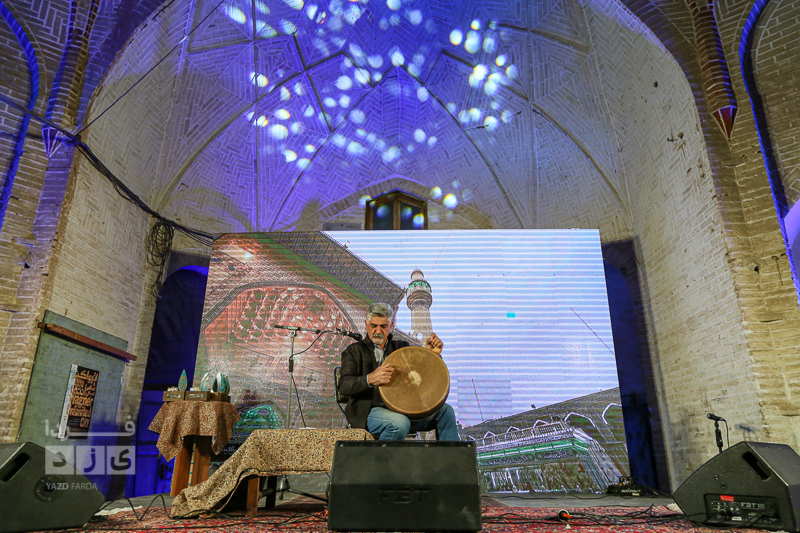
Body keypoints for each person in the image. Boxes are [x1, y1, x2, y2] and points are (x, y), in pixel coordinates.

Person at [338, 302, 459, 441]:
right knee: (399, 423)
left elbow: (420, 374)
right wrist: (369, 379)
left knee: (446, 412)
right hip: (369, 411)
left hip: (406, 409)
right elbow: (344, 385)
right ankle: (381, 455)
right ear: (366, 324)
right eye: (373, 326)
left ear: (391, 325)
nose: (378, 331)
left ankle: (451, 456)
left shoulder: (402, 347)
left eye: (383, 326)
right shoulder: (353, 351)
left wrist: (432, 356)